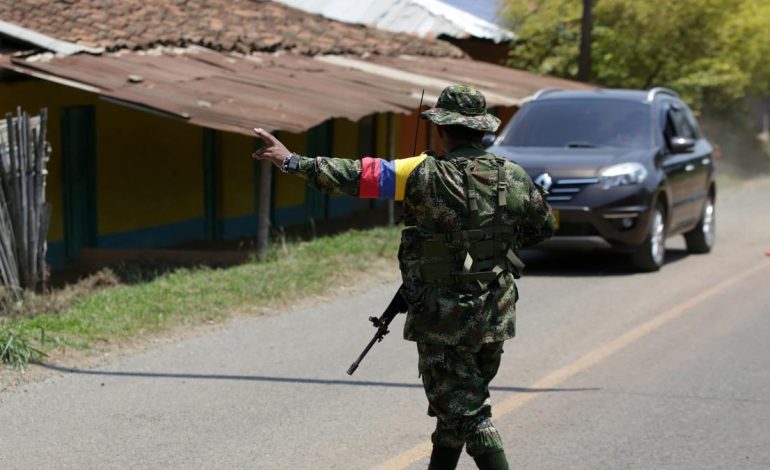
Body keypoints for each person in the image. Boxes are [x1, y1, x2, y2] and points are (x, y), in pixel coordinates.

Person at [253, 85, 555, 470]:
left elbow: (355, 176)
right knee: (454, 409)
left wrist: (292, 161)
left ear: (441, 129)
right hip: (494, 313)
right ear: (482, 131)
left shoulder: (419, 173)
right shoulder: (512, 175)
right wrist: (492, 244)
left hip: (443, 318)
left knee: (469, 413)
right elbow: (543, 227)